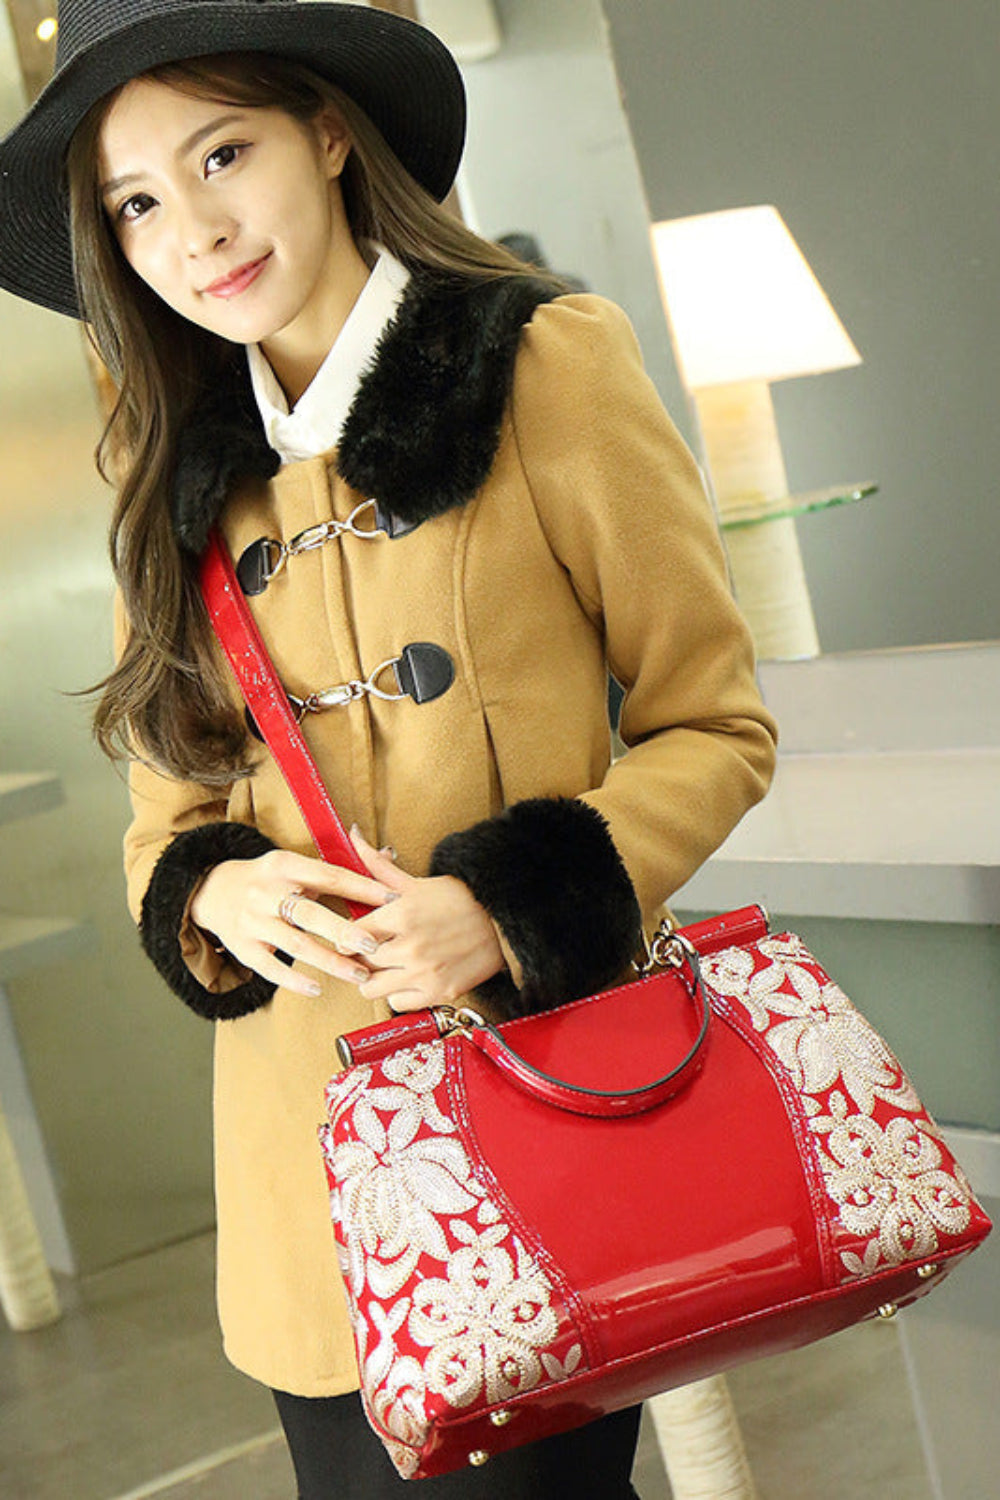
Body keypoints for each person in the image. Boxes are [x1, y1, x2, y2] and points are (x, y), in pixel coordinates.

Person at [0, 2, 777, 1495]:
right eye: (139, 202)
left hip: (546, 1124)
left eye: (223, 151)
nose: (194, 229)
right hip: (307, 1181)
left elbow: (714, 721)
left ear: (331, 131)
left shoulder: (545, 363)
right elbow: (167, 818)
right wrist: (210, 894)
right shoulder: (166, 454)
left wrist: (511, 897)